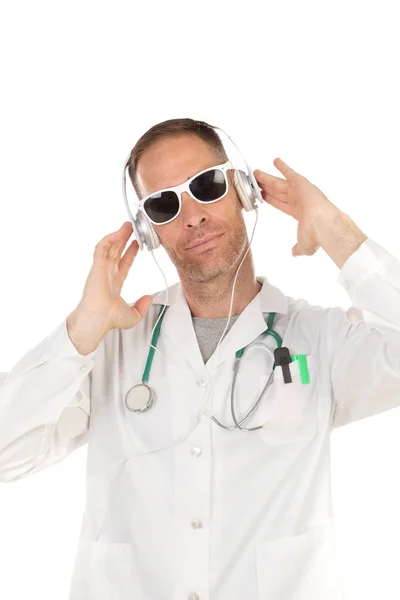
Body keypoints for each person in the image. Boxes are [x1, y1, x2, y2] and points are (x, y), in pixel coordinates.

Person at [1, 117, 400, 600]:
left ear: (244, 191)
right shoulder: (111, 347)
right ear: (150, 231)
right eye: (164, 204)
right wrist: (80, 331)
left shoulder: (319, 341)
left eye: (206, 186)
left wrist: (339, 233)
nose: (191, 216)